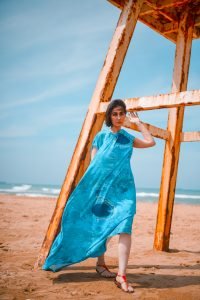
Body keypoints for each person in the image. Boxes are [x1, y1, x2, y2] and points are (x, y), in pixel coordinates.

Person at [42, 99, 156, 294]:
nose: (119, 117)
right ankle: (101, 264)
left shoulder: (128, 138)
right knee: (101, 224)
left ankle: (121, 275)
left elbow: (151, 142)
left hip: (124, 191)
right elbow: (94, 167)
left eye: (122, 114)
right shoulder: (101, 137)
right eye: (115, 114)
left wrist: (138, 123)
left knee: (125, 226)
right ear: (110, 116)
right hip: (103, 192)